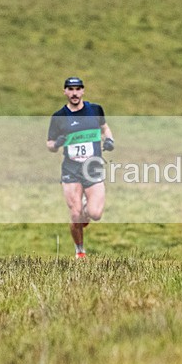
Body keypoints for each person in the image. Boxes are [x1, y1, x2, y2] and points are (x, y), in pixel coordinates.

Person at [47, 77, 115, 259]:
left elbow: (105, 128)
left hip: (93, 169)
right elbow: (50, 144)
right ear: (65, 92)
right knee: (75, 215)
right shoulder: (59, 117)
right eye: (70, 89)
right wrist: (57, 144)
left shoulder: (95, 110)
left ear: (83, 91)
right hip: (71, 171)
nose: (74, 93)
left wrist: (109, 140)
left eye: (78, 89)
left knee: (95, 214)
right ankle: (80, 252)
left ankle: (86, 207)